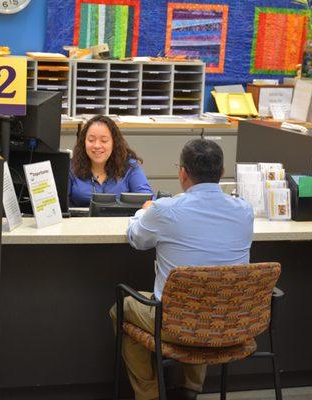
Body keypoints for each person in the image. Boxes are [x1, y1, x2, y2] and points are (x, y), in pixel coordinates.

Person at [109, 139, 254, 400]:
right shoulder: (245, 210)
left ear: (183, 173)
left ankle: (150, 394)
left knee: (121, 308)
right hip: (230, 319)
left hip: (176, 322)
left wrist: (144, 213)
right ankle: (190, 390)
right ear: (221, 173)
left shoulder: (166, 211)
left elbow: (137, 239)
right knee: (208, 296)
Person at [69, 115, 153, 207]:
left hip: (120, 220)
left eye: (104, 141)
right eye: (91, 140)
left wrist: (148, 205)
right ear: (83, 142)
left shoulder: (130, 167)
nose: (97, 145)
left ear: (114, 143)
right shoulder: (71, 167)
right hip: (80, 220)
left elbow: (147, 199)